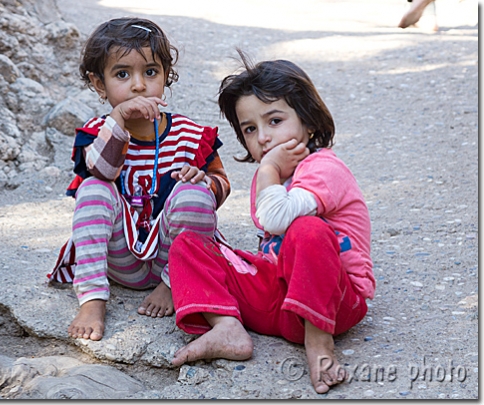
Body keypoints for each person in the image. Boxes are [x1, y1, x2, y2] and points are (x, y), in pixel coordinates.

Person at [168, 52, 375, 394]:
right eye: (250, 129)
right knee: (189, 244)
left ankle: (319, 343)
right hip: (280, 298)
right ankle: (227, 327)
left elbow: (277, 219)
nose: (263, 137)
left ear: (309, 123)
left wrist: (267, 170)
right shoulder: (274, 175)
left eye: (275, 121)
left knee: (307, 229)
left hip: (335, 301)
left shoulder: (324, 168)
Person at [47, 18, 230, 341]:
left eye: (150, 72)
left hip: (172, 257)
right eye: (122, 74)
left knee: (195, 194)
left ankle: (172, 287)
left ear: (165, 75)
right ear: (99, 84)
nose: (138, 85)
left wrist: (203, 181)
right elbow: (102, 172)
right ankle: (92, 298)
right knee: (93, 189)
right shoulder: (96, 132)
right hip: (119, 256)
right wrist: (117, 120)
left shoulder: (189, 135)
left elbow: (221, 183)